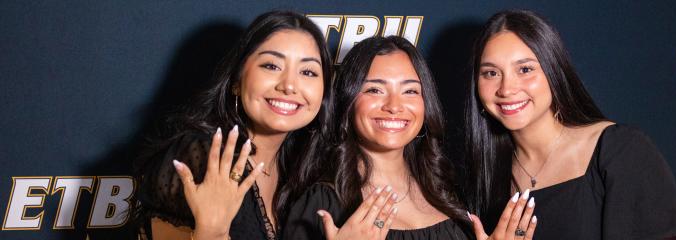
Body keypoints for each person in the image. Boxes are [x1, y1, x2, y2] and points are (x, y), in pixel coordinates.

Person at [463, 10, 676, 239]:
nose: (506, 89)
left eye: (525, 69)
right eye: (491, 73)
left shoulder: (619, 150)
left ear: (554, 71)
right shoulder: (482, 177)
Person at [281, 36, 538, 240]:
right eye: (374, 89)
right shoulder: (321, 202)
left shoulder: (447, 189)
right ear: (348, 102)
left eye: (410, 91)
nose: (394, 106)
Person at [133, 10, 332, 240]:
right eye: (271, 66)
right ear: (237, 81)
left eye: (308, 72)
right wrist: (210, 233)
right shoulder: (201, 156)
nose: (289, 86)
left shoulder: (305, 172)